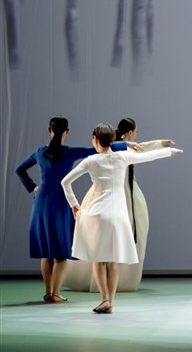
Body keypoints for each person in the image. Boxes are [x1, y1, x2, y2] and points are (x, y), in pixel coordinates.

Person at [61, 124, 182, 313]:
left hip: (97, 213)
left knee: (99, 260)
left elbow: (65, 182)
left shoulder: (91, 161)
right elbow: (148, 156)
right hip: (117, 214)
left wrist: (74, 205)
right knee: (112, 261)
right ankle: (110, 302)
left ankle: (104, 299)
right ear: (112, 140)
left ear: (94, 139)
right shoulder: (122, 157)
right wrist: (169, 151)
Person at [15, 116, 127, 303]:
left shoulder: (40, 152)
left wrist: (32, 187)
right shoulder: (69, 152)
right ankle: (56, 293)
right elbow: (98, 149)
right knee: (60, 252)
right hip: (62, 202)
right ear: (66, 131)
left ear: (49, 130)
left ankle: (48, 292)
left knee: (47, 252)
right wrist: (125, 144)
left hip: (42, 202)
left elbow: (20, 169)